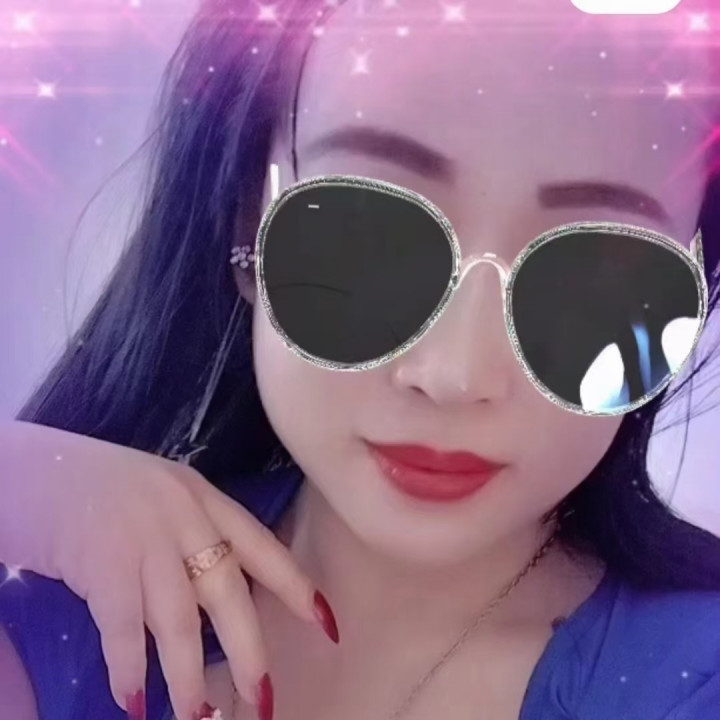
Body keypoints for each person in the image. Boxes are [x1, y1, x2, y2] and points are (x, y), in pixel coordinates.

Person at [2, 0, 720, 718]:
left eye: (595, 272)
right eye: (370, 234)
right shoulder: (71, 608)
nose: (457, 375)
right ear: (250, 217)